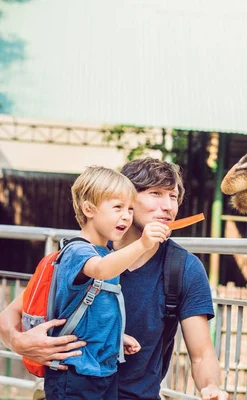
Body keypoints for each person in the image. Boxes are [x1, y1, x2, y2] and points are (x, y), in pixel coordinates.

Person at [0, 158, 227, 400]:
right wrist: (20, 343)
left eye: (173, 196)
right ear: (125, 194)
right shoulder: (85, 254)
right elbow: (9, 315)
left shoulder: (184, 268)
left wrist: (210, 387)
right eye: (155, 193)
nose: (168, 206)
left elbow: (202, 354)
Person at [44, 166, 169, 399]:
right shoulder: (78, 251)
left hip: (103, 372)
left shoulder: (104, 253)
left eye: (130, 209)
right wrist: (142, 244)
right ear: (89, 209)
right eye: (117, 207)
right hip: (74, 374)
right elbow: (100, 271)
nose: (126, 216)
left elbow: (93, 312)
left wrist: (115, 336)